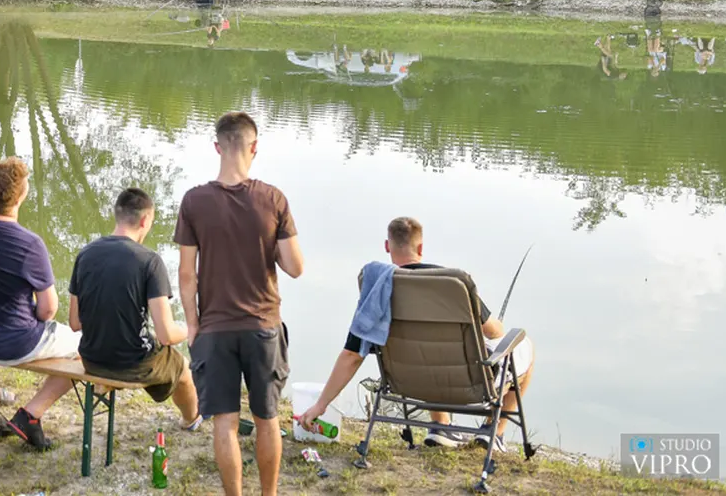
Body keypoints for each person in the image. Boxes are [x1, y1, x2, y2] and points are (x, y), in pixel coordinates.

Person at [296, 217, 535, 452]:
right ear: (421, 248)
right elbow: (495, 333)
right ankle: (494, 431)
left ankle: (441, 427)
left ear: (387, 246)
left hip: (406, 382)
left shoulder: (376, 289)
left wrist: (320, 405)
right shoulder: (453, 284)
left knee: (422, 351)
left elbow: (352, 356)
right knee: (526, 347)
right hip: (469, 383)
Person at [175, 112, 303, 496]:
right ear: (254, 147)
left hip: (214, 328)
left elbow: (186, 274)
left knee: (224, 423)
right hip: (263, 326)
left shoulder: (194, 201)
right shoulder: (273, 198)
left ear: (217, 147)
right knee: (267, 419)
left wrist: (193, 325)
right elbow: (295, 267)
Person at [0, 157, 81, 449]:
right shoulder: (29, 244)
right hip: (15, 344)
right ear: (21, 197)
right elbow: (48, 309)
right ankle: (30, 414)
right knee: (85, 347)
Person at [69, 188, 201, 440]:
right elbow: (165, 335)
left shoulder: (85, 254)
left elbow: (75, 323)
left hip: (92, 358)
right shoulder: (149, 261)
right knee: (182, 368)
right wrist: (190, 327)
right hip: (132, 364)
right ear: (144, 221)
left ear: (116, 216)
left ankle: (105, 381)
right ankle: (191, 419)